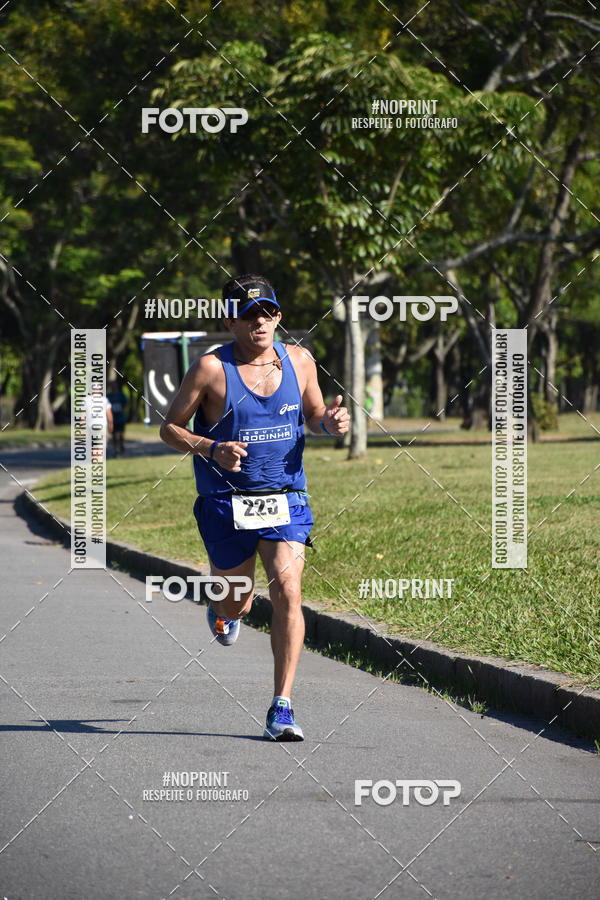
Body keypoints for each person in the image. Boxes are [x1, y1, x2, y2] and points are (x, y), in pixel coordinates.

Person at [159, 274, 350, 741]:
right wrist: (210, 448)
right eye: (248, 314)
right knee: (239, 600)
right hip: (227, 503)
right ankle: (222, 608)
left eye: (266, 312)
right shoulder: (208, 369)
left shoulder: (300, 360)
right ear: (231, 321)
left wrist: (329, 421)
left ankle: (281, 707)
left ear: (279, 316)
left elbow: (314, 414)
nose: (259, 321)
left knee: (287, 589)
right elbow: (169, 428)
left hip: (286, 497)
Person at [107, 380, 128, 456]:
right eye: (112, 386)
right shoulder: (108, 396)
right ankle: (116, 449)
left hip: (121, 418)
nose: (113, 387)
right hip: (113, 419)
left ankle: (121, 444)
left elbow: (126, 403)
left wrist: (123, 410)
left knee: (121, 434)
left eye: (114, 386)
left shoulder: (121, 395)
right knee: (114, 435)